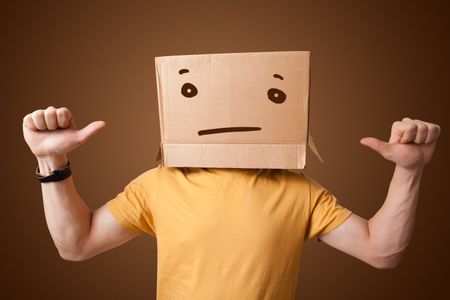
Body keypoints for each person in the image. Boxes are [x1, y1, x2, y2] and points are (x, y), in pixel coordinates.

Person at [22, 106, 441, 299]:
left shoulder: (299, 191)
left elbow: (381, 252)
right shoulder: (159, 184)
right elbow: (76, 245)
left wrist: (409, 170)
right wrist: (50, 159)